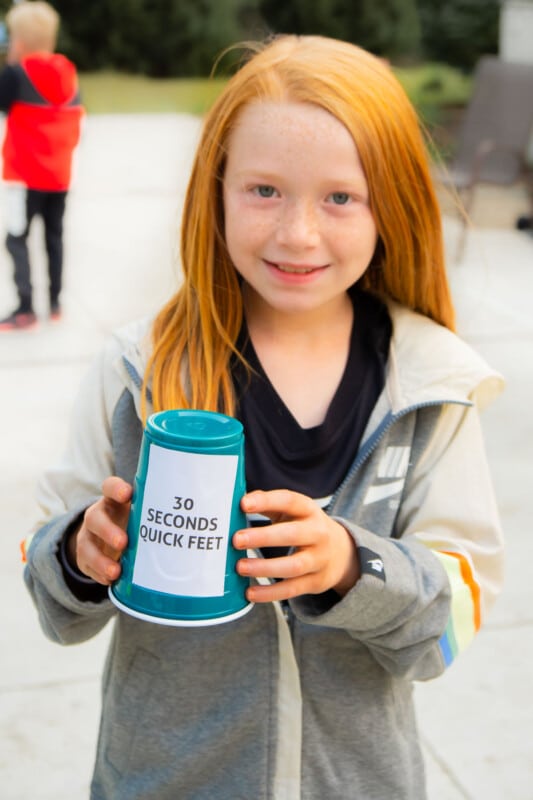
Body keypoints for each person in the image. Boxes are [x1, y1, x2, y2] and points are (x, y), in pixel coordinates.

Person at [23, 35, 504, 800]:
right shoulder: (136, 370)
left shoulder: (430, 384)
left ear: (393, 205)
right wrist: (80, 552)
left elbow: (446, 628)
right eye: (264, 191)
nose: (297, 234)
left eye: (339, 197)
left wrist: (353, 568)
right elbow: (55, 602)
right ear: (214, 193)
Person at [0, 1, 83, 331]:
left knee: (16, 238)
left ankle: (25, 308)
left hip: (23, 176)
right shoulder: (68, 73)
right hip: (59, 175)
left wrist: (10, 63)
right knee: (54, 238)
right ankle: (55, 303)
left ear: (18, 43)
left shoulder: (15, 74)